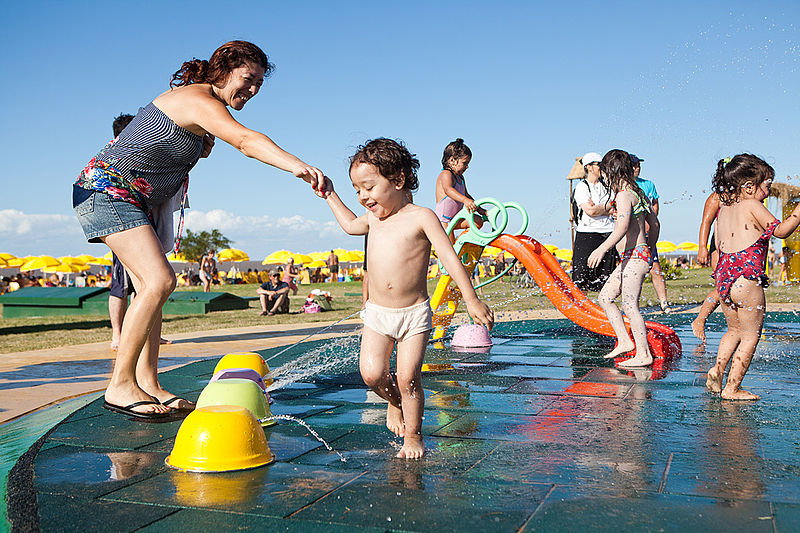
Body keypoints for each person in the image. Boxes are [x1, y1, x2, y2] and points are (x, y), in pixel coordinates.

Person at [72, 41, 325, 419]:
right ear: (223, 70)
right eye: (248, 79)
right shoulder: (197, 100)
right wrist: (296, 165)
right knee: (159, 282)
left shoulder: (204, 107)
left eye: (258, 84)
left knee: (149, 288)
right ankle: (120, 384)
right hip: (106, 191)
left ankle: (149, 382)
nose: (253, 90)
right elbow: (244, 140)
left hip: (132, 199)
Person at [320, 137, 494, 459]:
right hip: (377, 314)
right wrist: (330, 193)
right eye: (357, 190)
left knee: (409, 377)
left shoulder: (421, 217)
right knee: (372, 374)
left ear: (398, 180)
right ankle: (394, 401)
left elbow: (450, 259)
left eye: (368, 188)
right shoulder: (372, 219)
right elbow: (348, 225)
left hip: (414, 314)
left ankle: (413, 436)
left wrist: (470, 299)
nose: (362, 197)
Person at [705, 154, 800, 400]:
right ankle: (732, 388)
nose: (768, 192)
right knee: (750, 335)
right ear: (749, 186)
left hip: (725, 276)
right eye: (766, 186)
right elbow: (780, 231)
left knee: (733, 330)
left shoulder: (725, 208)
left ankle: (717, 370)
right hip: (747, 279)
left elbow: (718, 243)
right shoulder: (752, 205)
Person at [588, 149, 660, 367]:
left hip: (635, 257)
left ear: (612, 172)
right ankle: (625, 341)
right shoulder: (637, 192)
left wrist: (601, 249)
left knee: (630, 305)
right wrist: (650, 245)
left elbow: (621, 228)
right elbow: (655, 224)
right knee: (605, 297)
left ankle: (644, 354)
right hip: (635, 255)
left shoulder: (623, 195)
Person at [630, 154, 672, 312]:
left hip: (647, 234)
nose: (637, 168)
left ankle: (664, 303)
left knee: (655, 267)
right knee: (633, 271)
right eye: (634, 165)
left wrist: (650, 223)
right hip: (632, 236)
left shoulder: (648, 184)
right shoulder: (625, 186)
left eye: (638, 165)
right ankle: (633, 304)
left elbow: (655, 206)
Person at [571, 152, 617, 291]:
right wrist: (607, 208)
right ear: (589, 167)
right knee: (581, 277)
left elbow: (615, 205)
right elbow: (590, 211)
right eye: (599, 165)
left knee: (606, 277)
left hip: (608, 232)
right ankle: (580, 310)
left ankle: (605, 309)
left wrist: (599, 208)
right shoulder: (582, 187)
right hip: (587, 234)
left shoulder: (607, 185)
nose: (602, 168)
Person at [434, 138, 484, 240]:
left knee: (478, 221)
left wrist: (479, 209)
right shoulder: (445, 174)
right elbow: (448, 190)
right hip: (445, 220)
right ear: (452, 160)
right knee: (451, 247)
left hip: (456, 218)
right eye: (465, 163)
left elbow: (466, 194)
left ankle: (464, 240)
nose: (467, 167)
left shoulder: (460, 178)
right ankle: (457, 246)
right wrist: (465, 200)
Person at [691, 191, 721, 342]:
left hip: (740, 248)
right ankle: (700, 319)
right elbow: (706, 221)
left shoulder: (748, 194)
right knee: (723, 288)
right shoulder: (718, 196)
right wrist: (702, 246)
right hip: (719, 247)